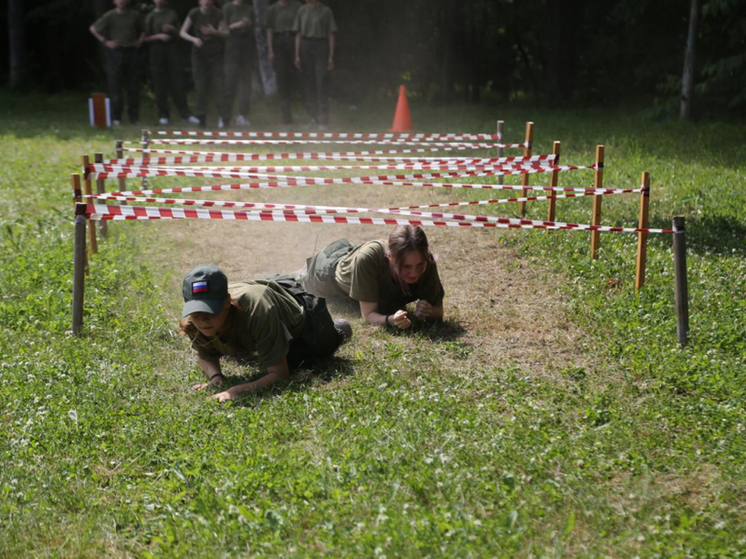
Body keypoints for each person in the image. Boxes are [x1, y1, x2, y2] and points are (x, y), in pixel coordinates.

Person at [179, 264, 352, 402]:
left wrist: (236, 390)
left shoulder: (259, 311)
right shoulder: (193, 323)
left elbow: (280, 373)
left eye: (211, 311)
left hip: (302, 319)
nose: (203, 320)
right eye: (196, 312)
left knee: (306, 357)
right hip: (265, 293)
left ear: (227, 302)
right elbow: (206, 355)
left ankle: (337, 329)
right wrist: (216, 376)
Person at [299, 225, 445, 330]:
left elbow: (439, 311)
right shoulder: (367, 260)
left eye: (419, 265)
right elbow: (368, 315)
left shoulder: (427, 260)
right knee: (298, 282)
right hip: (327, 272)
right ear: (389, 257)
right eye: (406, 267)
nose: (414, 273)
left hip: (354, 257)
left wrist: (429, 311)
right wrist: (390, 320)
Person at [89, 0, 145, 126]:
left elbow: (144, 29)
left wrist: (140, 41)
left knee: (133, 86)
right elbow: (93, 28)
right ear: (114, 1)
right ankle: (116, 117)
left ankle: (134, 117)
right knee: (115, 86)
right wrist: (105, 41)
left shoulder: (135, 15)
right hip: (116, 52)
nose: (122, 1)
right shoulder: (110, 15)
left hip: (132, 52)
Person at [143, 0, 198, 126]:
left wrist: (172, 28)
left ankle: (185, 114)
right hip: (156, 50)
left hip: (172, 49)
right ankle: (163, 114)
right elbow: (144, 38)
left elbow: (180, 33)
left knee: (177, 81)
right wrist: (158, 36)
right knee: (159, 82)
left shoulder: (172, 13)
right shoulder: (150, 16)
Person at [180, 0, 230, 128]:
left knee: (219, 84)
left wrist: (214, 32)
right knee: (201, 85)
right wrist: (194, 39)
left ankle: (224, 118)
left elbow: (226, 33)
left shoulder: (219, 13)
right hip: (199, 50)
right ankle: (201, 118)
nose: (206, 2)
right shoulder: (194, 13)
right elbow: (182, 32)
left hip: (215, 49)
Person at [293, 0, 337, 129]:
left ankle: (323, 120)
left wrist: (330, 56)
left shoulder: (326, 11)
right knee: (309, 83)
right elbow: (298, 34)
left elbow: (331, 35)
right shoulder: (302, 10)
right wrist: (297, 55)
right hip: (306, 46)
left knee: (321, 81)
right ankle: (313, 118)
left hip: (321, 45)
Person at [265, 0, 302, 125]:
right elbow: (269, 30)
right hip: (279, 42)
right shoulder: (272, 9)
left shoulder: (297, 6)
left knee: (297, 77)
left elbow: (300, 29)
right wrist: (270, 50)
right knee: (282, 78)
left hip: (293, 41)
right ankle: (286, 118)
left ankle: (311, 114)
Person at [223, 0, 256, 128]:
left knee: (246, 84)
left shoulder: (249, 9)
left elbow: (254, 29)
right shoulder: (227, 8)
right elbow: (223, 29)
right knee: (230, 83)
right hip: (232, 47)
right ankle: (225, 117)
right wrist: (237, 24)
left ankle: (243, 115)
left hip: (247, 47)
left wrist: (248, 25)